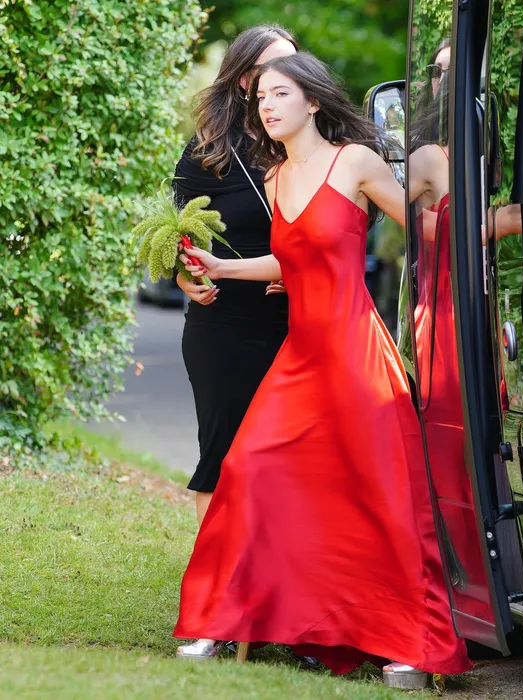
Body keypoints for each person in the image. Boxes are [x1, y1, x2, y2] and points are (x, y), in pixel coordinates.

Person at [173, 51, 472, 686]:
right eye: (261, 98)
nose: (268, 106)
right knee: (248, 470)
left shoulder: (353, 161)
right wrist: (224, 267)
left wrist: (465, 201)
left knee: (379, 500)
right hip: (300, 356)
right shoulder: (276, 178)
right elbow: (291, 259)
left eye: (281, 94)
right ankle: (219, 619)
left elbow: (422, 230)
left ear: (312, 101)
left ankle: (408, 643)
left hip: (357, 356)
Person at [172, 24, 297, 661]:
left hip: (302, 324)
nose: (288, 80)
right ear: (246, 79)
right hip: (225, 324)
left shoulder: (312, 143)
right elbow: (180, 236)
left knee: (294, 468)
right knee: (222, 460)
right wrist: (182, 273)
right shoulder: (208, 152)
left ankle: (293, 614)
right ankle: (217, 613)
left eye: (297, 67)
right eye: (274, 69)